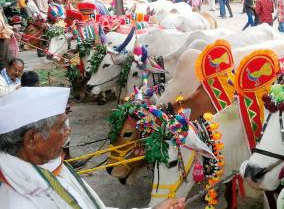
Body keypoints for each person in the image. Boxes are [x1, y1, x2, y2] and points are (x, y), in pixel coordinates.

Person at [0, 87, 186, 209]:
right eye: (61, 126)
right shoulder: (19, 202)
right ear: (32, 139)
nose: (68, 131)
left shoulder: (46, 165)